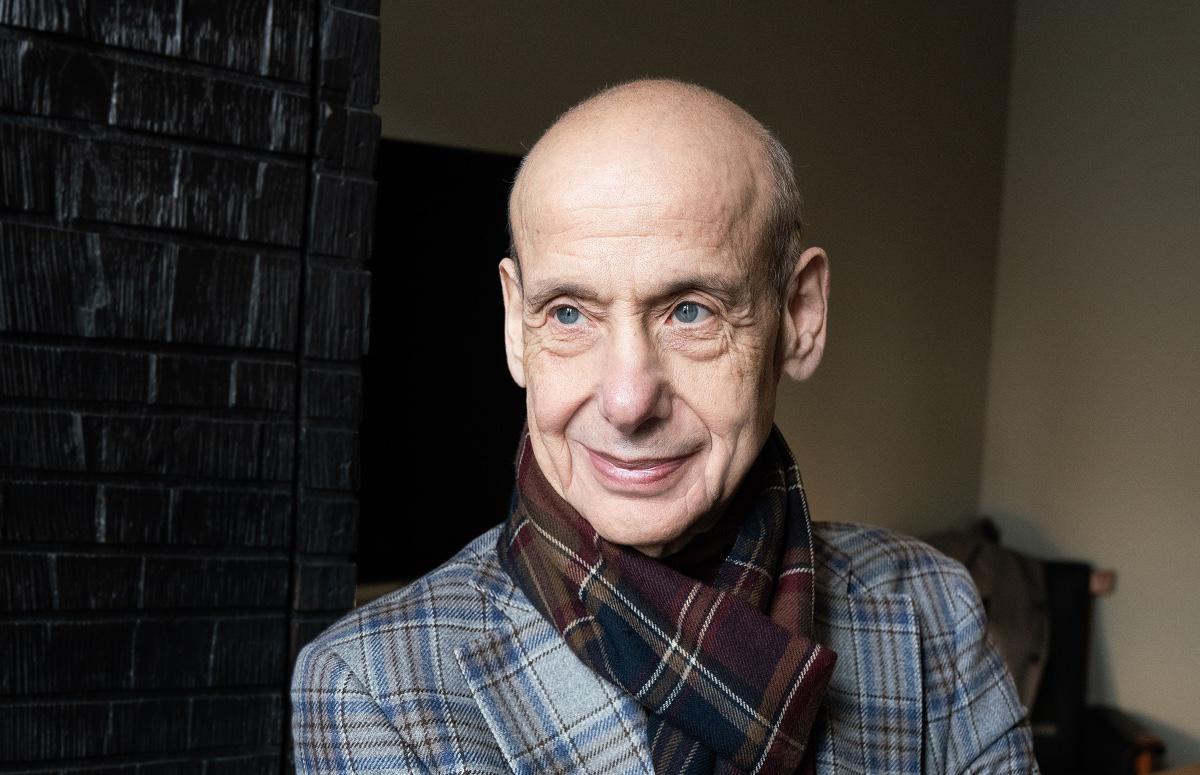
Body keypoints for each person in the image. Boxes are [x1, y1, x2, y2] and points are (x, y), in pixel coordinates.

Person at [290, 78, 1038, 774]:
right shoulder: (371, 685)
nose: (627, 400)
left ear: (800, 316)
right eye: (569, 313)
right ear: (516, 325)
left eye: (689, 311)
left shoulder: (934, 608)